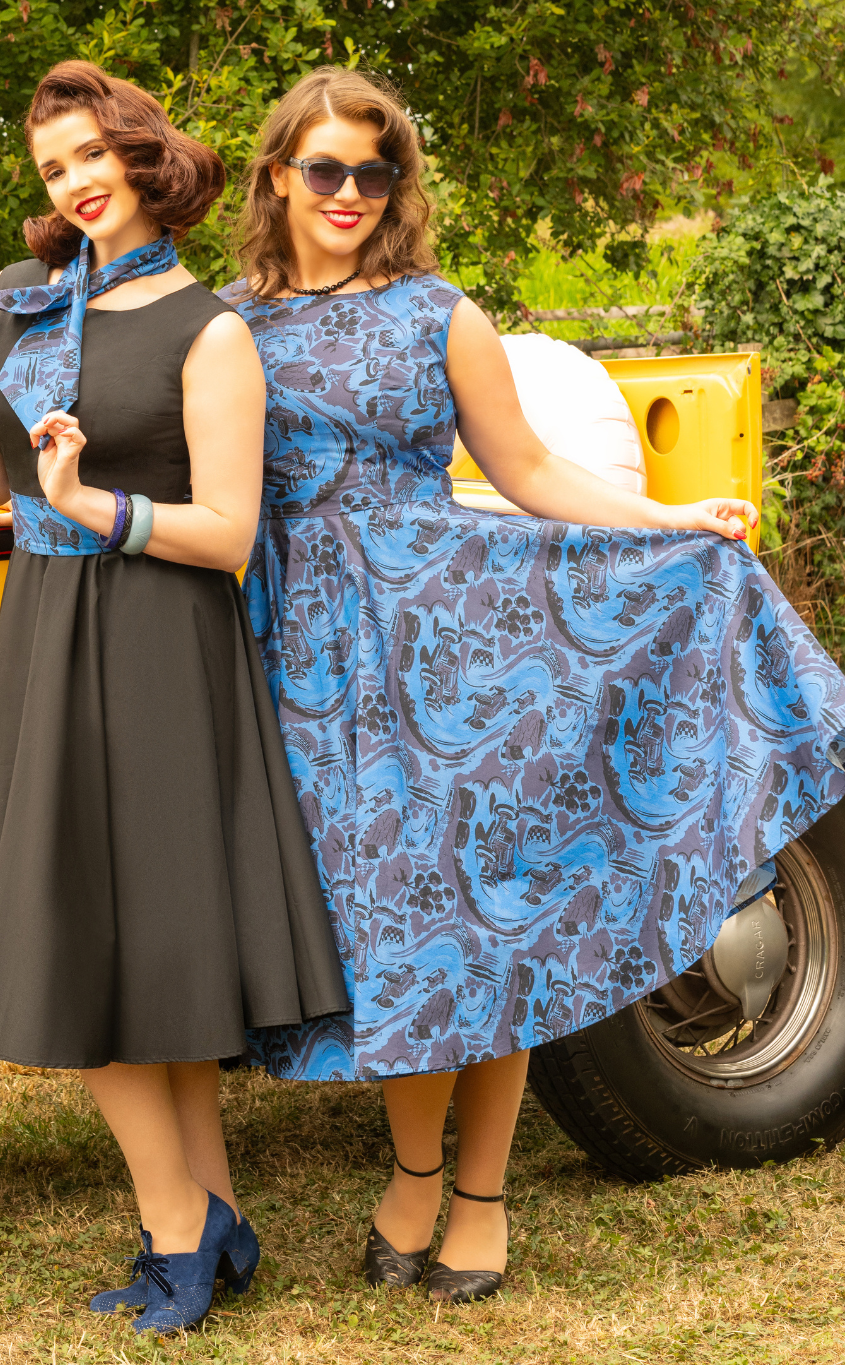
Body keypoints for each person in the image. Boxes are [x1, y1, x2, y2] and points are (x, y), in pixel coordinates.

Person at [219, 66, 845, 1305]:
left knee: (491, 921)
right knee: (392, 942)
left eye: (372, 171)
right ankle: (409, 1183)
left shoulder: (437, 312)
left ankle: (481, 1199)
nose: (348, 193)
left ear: (393, 185)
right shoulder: (231, 326)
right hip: (305, 664)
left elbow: (526, 469)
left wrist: (665, 519)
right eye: (325, 168)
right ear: (279, 174)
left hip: (458, 641)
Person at [0, 59, 348, 1338]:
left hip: (157, 643)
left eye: (92, 155)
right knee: (116, 948)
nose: (75, 183)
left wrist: (104, 508)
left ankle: (179, 1234)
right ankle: (215, 1214)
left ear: (142, 156)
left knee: (109, 945)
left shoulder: (209, 331)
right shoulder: (28, 306)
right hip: (48, 636)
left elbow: (228, 532)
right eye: (53, 170)